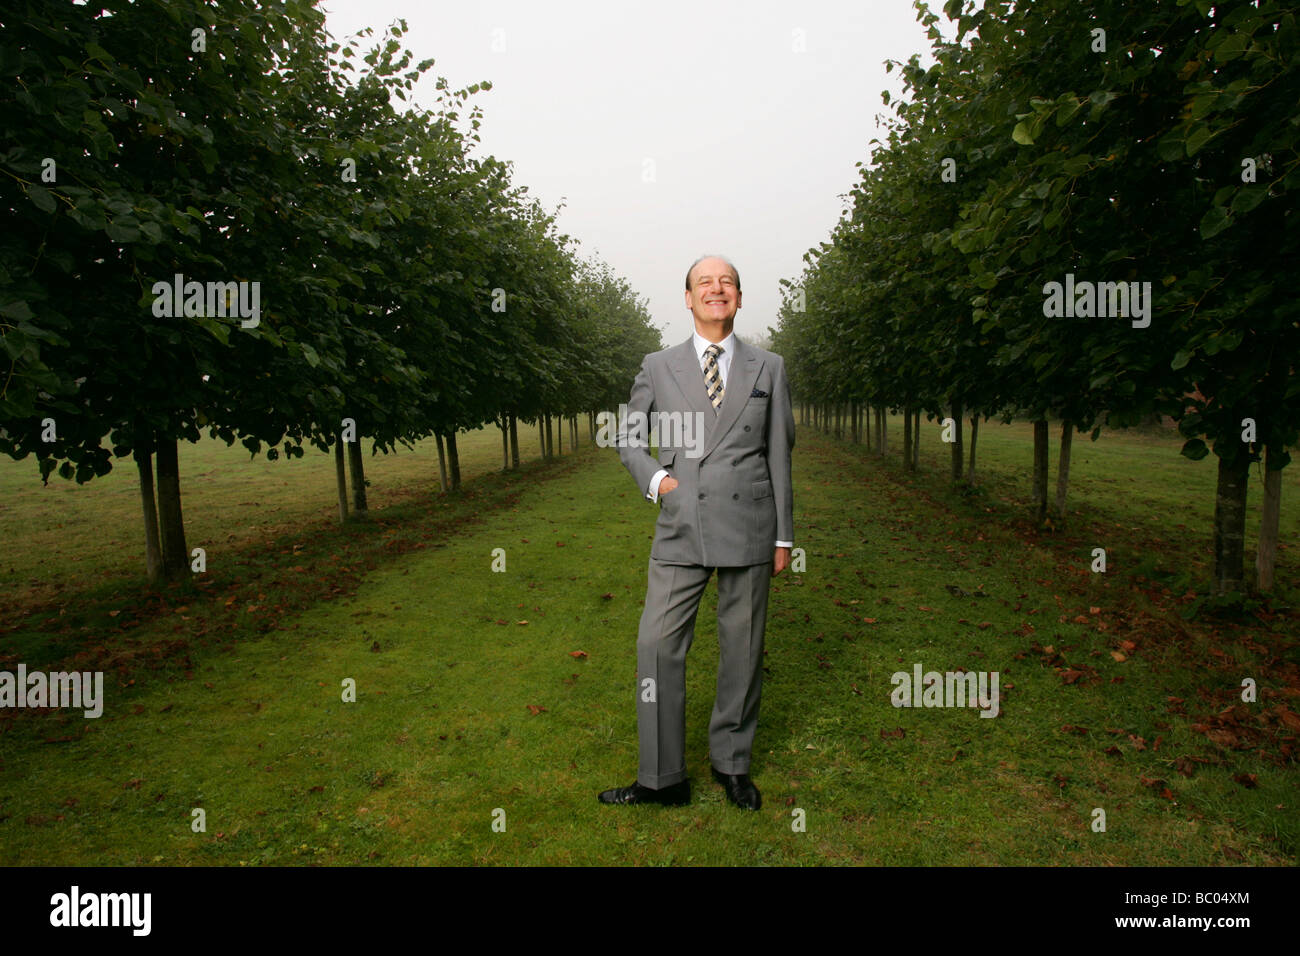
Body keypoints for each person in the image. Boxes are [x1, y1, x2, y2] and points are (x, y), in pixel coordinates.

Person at [599, 254, 795, 811]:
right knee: (655, 646)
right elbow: (629, 438)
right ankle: (662, 778)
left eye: (727, 282)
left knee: (743, 649)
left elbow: (780, 453)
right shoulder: (658, 364)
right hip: (680, 526)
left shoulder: (769, 367)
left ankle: (731, 765)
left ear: (738, 297)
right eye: (704, 282)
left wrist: (783, 537)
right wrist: (661, 482)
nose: (717, 289)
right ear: (688, 298)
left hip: (750, 526)